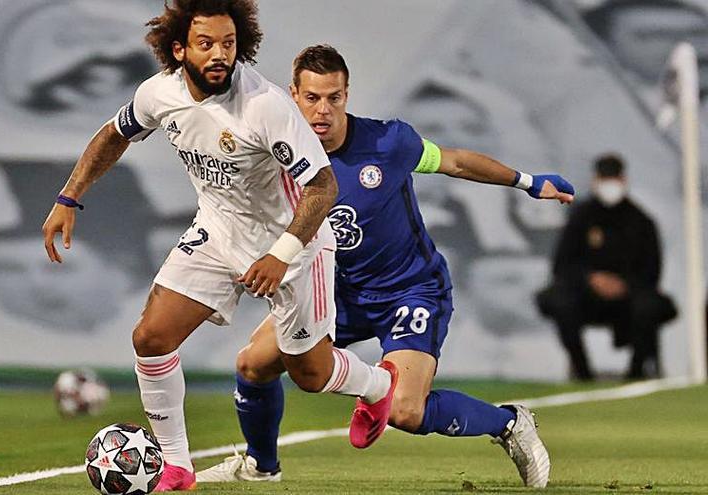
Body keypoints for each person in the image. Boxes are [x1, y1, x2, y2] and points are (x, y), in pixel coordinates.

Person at [40, 2, 397, 491]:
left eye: (228, 44)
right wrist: (69, 196)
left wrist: (281, 254)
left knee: (311, 374)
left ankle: (378, 385)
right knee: (151, 338)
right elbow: (113, 135)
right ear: (178, 48)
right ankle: (176, 467)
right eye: (206, 44)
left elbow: (322, 189)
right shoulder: (159, 94)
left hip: (297, 245)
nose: (219, 55)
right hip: (219, 231)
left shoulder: (264, 105)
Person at [196, 44, 575, 488]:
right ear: (292, 95)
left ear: (347, 95)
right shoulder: (274, 156)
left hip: (409, 291)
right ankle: (262, 466)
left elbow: (452, 160)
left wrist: (529, 182)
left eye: (333, 98)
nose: (323, 111)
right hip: (334, 295)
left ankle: (508, 423)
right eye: (312, 98)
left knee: (405, 411)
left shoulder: (388, 143)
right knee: (252, 365)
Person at [537, 154, 677, 381]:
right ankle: (583, 374)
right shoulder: (581, 217)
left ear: (623, 180)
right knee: (559, 301)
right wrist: (591, 279)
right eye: (605, 177)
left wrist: (624, 284)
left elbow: (652, 270)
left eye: (613, 177)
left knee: (649, 306)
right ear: (596, 180)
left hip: (629, 297)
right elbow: (562, 265)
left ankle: (636, 372)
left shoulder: (641, 220)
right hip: (585, 296)